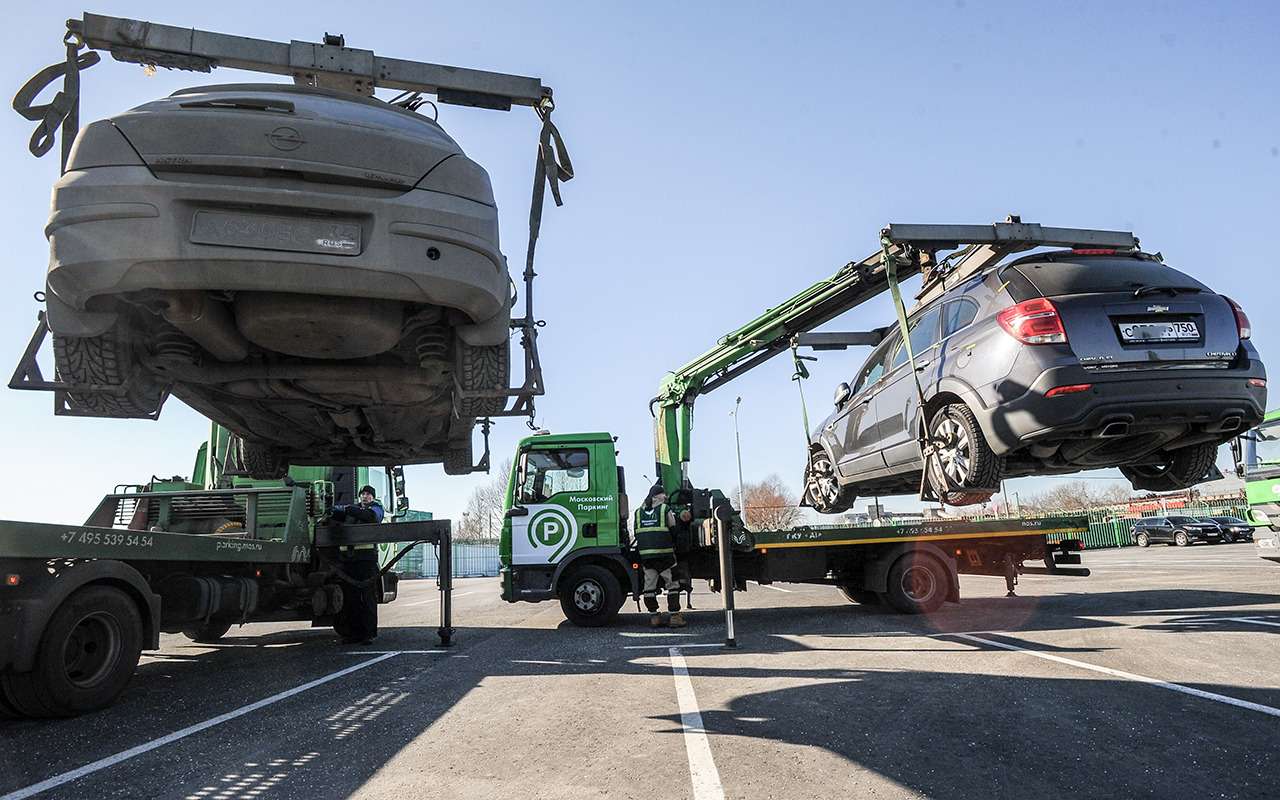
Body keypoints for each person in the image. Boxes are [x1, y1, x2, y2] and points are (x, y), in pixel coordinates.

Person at [328, 484, 385, 644]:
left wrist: (348, 509)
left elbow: (372, 517)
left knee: (367, 598)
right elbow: (338, 515)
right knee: (350, 599)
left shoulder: (376, 508)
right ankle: (352, 634)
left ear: (372, 497)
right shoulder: (353, 510)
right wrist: (332, 511)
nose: (365, 496)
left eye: (368, 494)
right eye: (363, 494)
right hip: (349, 560)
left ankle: (368, 634)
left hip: (366, 560)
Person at [633, 483, 692, 627]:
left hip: (646, 556)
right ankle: (674, 617)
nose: (665, 496)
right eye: (663, 494)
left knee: (649, 587)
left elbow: (636, 532)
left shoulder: (637, 512)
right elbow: (673, 528)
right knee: (673, 584)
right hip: (665, 555)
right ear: (658, 496)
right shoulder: (665, 509)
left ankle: (654, 617)